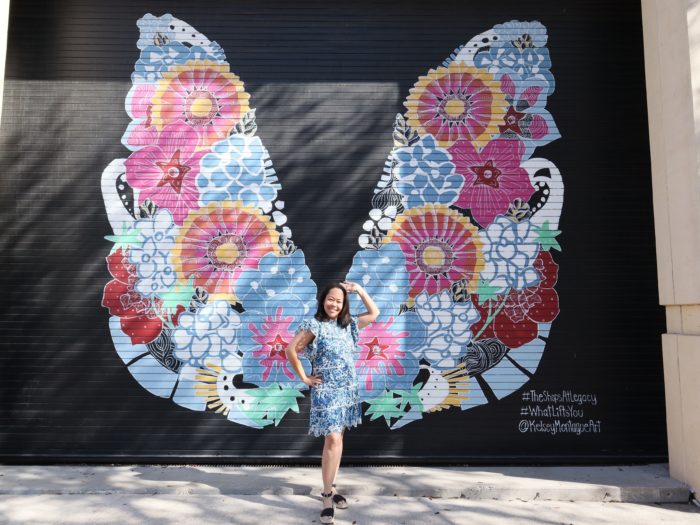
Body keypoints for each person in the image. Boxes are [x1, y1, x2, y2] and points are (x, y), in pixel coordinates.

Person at [285, 280, 379, 524]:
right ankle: (327, 495)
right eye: (330, 299)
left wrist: (358, 290)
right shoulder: (314, 325)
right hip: (326, 390)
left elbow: (374, 313)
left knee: (339, 438)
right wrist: (304, 377)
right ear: (322, 300)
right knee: (333, 438)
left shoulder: (348, 325)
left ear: (344, 304)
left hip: (348, 389)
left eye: (339, 301)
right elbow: (291, 349)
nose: (334, 304)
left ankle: (332, 486)